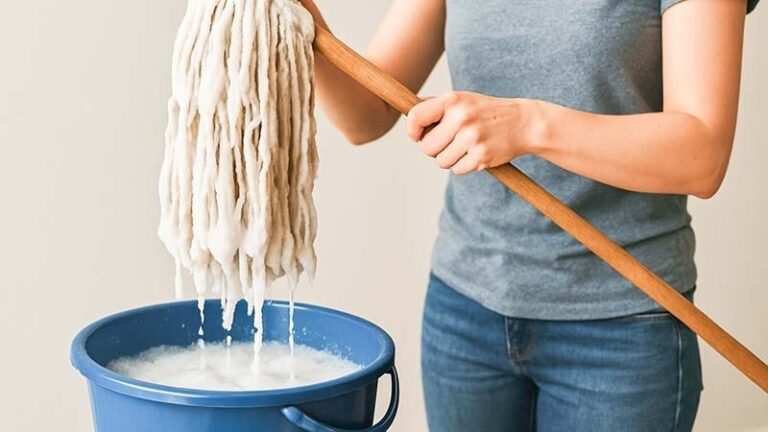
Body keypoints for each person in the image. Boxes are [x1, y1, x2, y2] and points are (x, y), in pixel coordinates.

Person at [299, 0, 760, 430]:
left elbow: (702, 154)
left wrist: (529, 124)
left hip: (623, 328)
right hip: (464, 313)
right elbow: (368, 114)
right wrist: (304, 25)